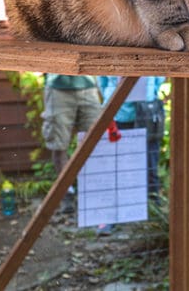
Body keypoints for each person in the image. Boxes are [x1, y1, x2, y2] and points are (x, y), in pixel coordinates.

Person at [95, 76, 166, 235]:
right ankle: (109, 216)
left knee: (150, 165)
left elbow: (160, 76)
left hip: (147, 111)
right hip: (118, 114)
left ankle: (154, 214)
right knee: (114, 167)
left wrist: (150, 94)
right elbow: (102, 81)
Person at [42, 73, 102, 210]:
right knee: (59, 144)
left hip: (89, 85)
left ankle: (93, 193)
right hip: (58, 88)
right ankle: (66, 194)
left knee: (96, 144)